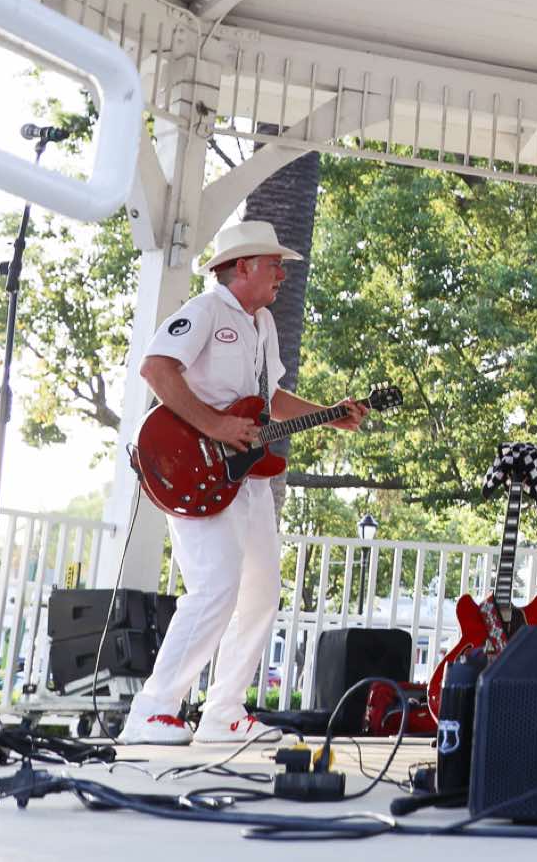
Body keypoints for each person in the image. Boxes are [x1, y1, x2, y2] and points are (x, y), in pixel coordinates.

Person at [121, 221, 366, 745]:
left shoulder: (264, 324)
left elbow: (269, 399)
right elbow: (157, 369)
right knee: (215, 586)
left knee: (260, 593)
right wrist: (215, 426)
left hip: (246, 477)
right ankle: (151, 710)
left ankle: (223, 713)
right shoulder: (206, 310)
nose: (282, 274)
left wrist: (330, 414)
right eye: (274, 264)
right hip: (194, 470)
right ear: (244, 266)